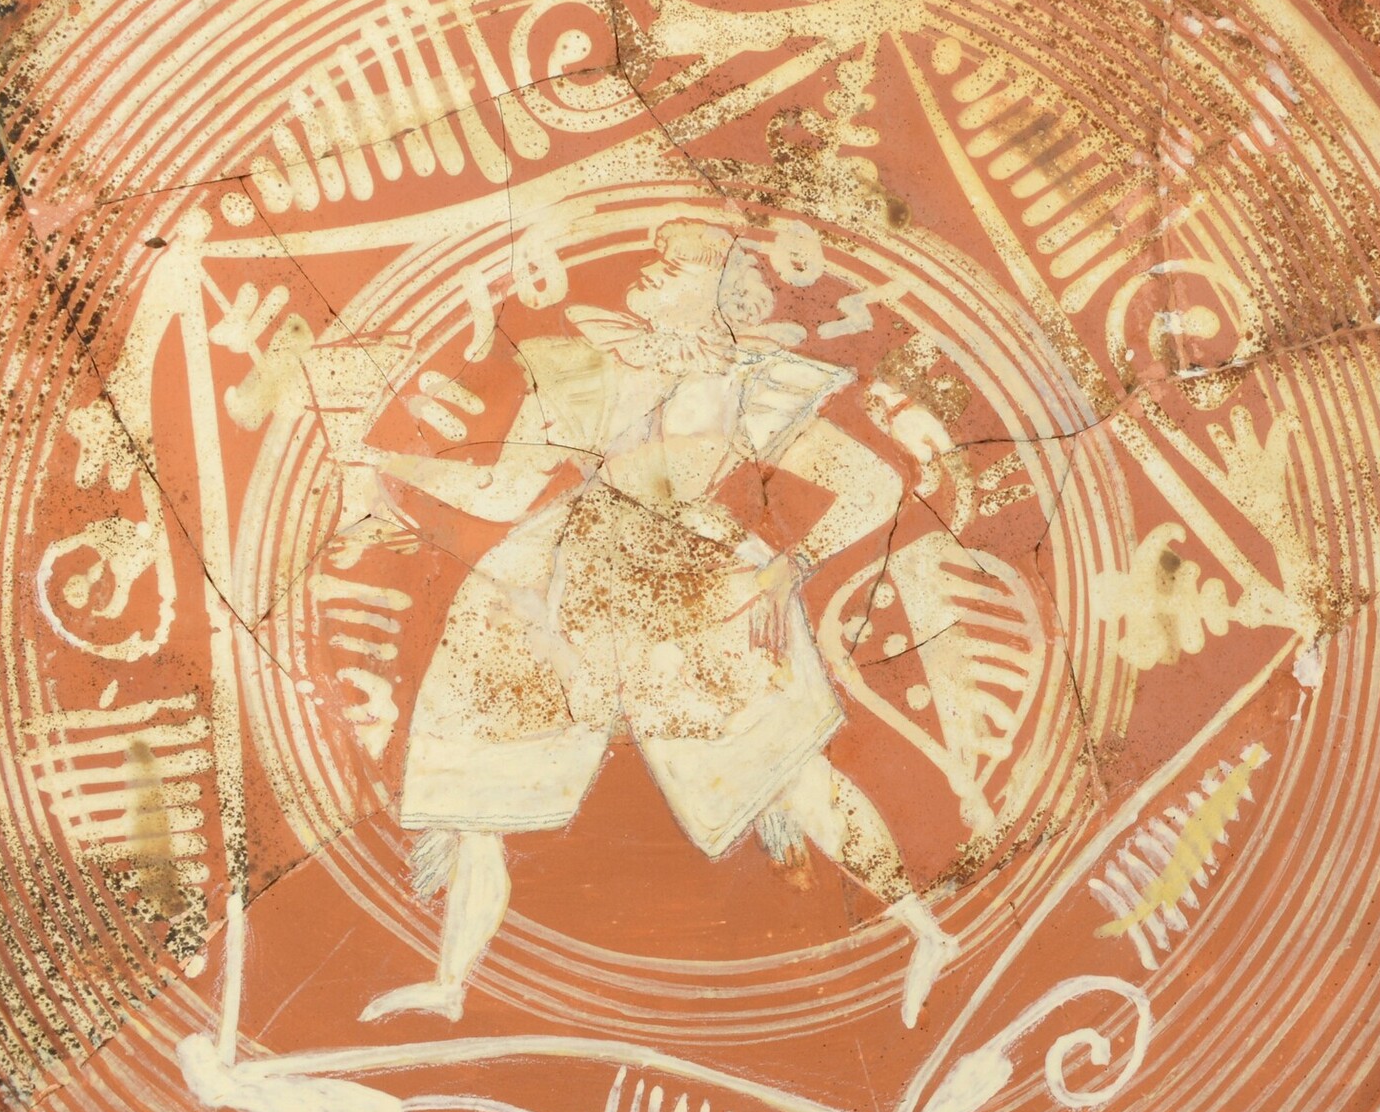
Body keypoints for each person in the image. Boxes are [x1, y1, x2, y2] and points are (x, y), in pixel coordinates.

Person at [343, 217, 958, 1027]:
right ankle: (452, 983)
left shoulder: (751, 384)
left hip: (697, 595)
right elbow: (503, 491)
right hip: (569, 579)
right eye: (657, 259)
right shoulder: (578, 370)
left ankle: (925, 933)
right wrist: (386, 465)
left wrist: (787, 569)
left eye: (676, 267)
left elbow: (874, 485)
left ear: (719, 294)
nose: (652, 272)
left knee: (795, 776)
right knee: (476, 782)